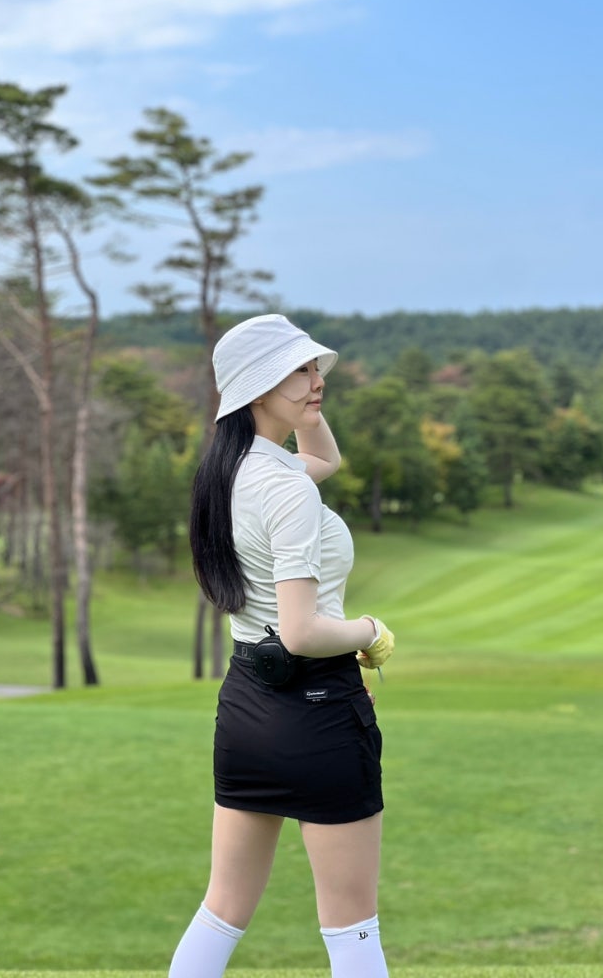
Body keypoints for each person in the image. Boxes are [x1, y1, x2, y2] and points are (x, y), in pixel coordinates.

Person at [169, 314, 395, 978]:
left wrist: (302, 406)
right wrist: (371, 631)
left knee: (221, 911)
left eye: (315, 367)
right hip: (318, 711)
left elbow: (325, 459)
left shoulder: (230, 472)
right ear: (256, 388)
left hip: (246, 711)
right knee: (352, 929)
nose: (317, 380)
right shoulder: (286, 487)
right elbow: (301, 632)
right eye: (298, 370)